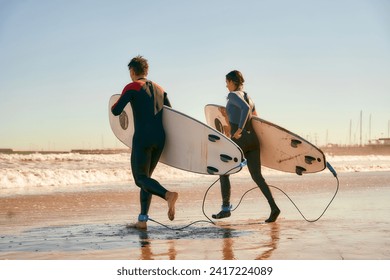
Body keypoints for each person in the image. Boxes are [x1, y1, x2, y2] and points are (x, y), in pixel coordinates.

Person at [111, 56, 178, 230]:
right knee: (146, 179)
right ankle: (142, 220)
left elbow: (116, 110)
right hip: (160, 138)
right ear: (146, 71)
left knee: (140, 179)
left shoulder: (132, 86)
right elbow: (172, 114)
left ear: (132, 72)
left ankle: (167, 195)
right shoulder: (160, 89)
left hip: (143, 138)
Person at [212, 70, 280, 223]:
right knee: (257, 177)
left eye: (227, 82)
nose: (226, 85)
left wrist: (239, 130)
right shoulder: (249, 97)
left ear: (232, 82)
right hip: (253, 141)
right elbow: (255, 118)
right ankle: (274, 208)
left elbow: (245, 109)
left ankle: (225, 208)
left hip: (240, 139)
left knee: (223, 170)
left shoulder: (233, 95)